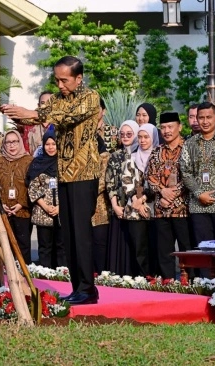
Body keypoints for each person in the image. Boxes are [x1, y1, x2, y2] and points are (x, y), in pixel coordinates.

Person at [1, 56, 101, 305]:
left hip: (84, 174)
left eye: (64, 80)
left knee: (81, 233)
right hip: (63, 175)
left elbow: (65, 115)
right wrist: (16, 115)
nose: (60, 85)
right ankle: (78, 287)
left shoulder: (90, 97)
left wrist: (33, 113)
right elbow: (40, 117)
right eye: (56, 80)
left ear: (79, 78)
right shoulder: (57, 100)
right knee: (68, 235)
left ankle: (88, 289)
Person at [180, 102, 215, 245]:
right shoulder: (189, 144)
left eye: (208, 117)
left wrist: (213, 195)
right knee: (203, 252)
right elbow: (185, 172)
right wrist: (199, 194)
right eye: (201, 118)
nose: (205, 121)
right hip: (198, 207)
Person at [147, 112, 193, 279]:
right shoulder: (156, 151)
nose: (166, 131)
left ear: (179, 127)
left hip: (183, 209)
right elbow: (150, 176)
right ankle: (168, 283)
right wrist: (162, 191)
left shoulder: (188, 148)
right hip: (161, 210)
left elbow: (191, 176)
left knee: (186, 249)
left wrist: (172, 194)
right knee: (164, 250)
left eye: (170, 127)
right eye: (163, 127)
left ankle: (189, 283)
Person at [122, 123, 160, 276]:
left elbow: (158, 183)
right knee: (138, 249)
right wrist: (137, 203)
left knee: (155, 247)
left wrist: (143, 199)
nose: (143, 140)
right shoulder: (131, 158)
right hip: (135, 210)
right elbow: (126, 182)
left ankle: (157, 280)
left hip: (155, 210)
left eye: (146, 137)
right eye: (140, 137)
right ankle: (141, 280)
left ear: (153, 138)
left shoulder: (158, 157)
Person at [26, 130, 65, 268]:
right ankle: (45, 279)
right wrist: (46, 206)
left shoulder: (64, 164)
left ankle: (62, 279)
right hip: (43, 213)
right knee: (45, 248)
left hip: (62, 213)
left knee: (62, 248)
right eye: (47, 144)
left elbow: (68, 187)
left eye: (53, 144)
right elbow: (32, 188)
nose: (50, 147)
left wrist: (60, 207)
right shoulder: (38, 163)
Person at [105, 120, 138, 276]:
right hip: (118, 207)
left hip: (136, 209)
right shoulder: (115, 156)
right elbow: (109, 182)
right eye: (122, 134)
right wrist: (115, 205)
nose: (125, 137)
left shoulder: (141, 154)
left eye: (129, 134)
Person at [0, 130, 33, 263]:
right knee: (6, 245)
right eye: (8, 142)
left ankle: (26, 274)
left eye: (15, 142)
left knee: (23, 245)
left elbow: (32, 185)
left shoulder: (29, 161)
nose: (12, 145)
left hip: (22, 210)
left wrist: (21, 204)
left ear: (20, 142)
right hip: (4, 210)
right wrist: (1, 204)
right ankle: (8, 277)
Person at [92, 98, 112, 273]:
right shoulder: (82, 133)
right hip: (84, 199)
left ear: (103, 111)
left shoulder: (112, 133)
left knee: (100, 242)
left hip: (103, 199)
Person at [24, 91, 53, 155]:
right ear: (38, 105)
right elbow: (25, 149)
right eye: (43, 103)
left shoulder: (60, 125)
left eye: (49, 103)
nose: (45, 106)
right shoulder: (29, 125)